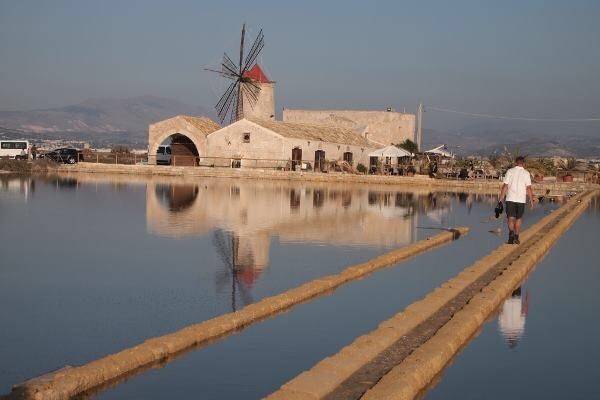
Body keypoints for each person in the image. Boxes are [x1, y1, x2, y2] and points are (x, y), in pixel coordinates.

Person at [498, 156, 536, 244]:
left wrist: (500, 199)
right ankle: (516, 236)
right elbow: (529, 188)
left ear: (515, 163)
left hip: (510, 199)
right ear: (523, 163)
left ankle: (511, 233)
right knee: (518, 218)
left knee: (510, 218)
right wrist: (531, 200)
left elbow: (505, 186)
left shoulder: (510, 171)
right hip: (521, 200)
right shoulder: (526, 173)